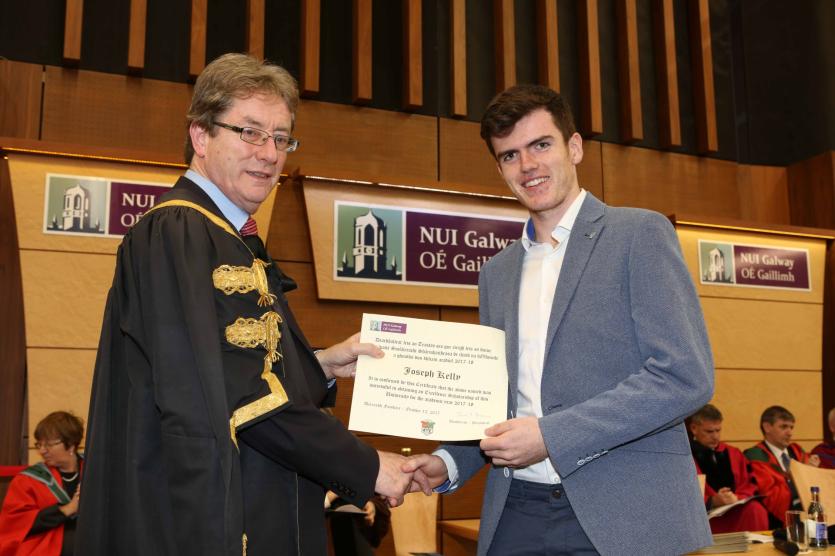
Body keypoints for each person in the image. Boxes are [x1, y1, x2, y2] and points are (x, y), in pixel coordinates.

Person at [75, 53, 410, 556]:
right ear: (201, 136)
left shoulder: (226, 236)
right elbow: (236, 394)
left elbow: (228, 363)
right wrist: (367, 466)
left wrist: (318, 364)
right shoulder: (182, 232)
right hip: (203, 523)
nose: (270, 153)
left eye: (281, 138)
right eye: (251, 132)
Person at [404, 84, 714, 555]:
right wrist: (449, 462)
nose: (527, 165)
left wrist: (552, 436)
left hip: (624, 512)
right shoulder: (496, 273)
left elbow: (684, 377)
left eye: (541, 145)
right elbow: (497, 401)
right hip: (517, 510)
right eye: (510, 156)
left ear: (574, 147)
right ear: (501, 169)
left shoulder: (639, 234)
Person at [0, 411, 84, 556]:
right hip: (46, 549)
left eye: (49, 444)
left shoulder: (96, 473)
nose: (42, 450)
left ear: (71, 445)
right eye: (39, 444)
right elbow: (14, 524)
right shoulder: (27, 480)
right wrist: (68, 509)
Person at [688, 404, 768, 533]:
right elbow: (684, 496)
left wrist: (735, 497)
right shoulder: (686, 458)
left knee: (755, 509)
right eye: (709, 431)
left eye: (718, 430)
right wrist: (712, 501)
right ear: (694, 428)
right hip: (706, 516)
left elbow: (748, 485)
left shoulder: (733, 453)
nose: (715, 436)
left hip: (734, 510)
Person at [743, 405, 821, 528]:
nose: (790, 433)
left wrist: (812, 471)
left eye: (791, 427)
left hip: (807, 513)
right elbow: (769, 495)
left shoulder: (797, 451)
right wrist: (796, 477)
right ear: (767, 427)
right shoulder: (756, 456)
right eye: (783, 427)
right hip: (777, 521)